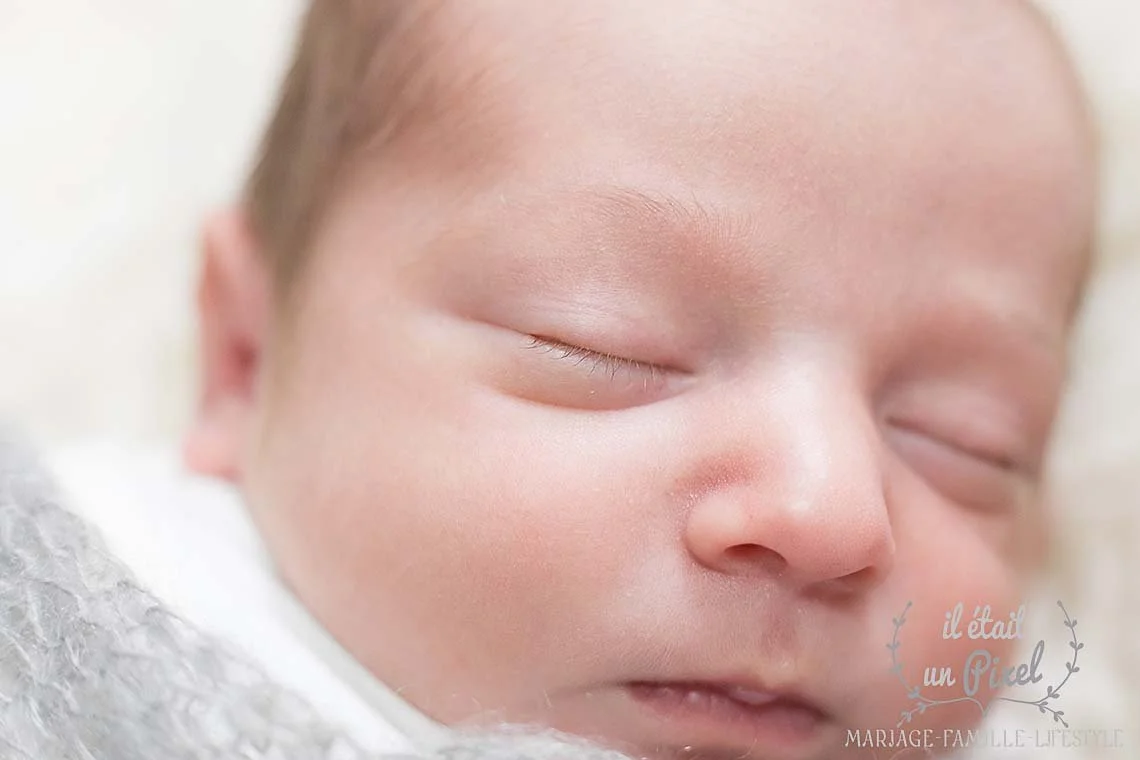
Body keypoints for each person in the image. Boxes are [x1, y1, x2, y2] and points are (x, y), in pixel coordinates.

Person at [81, 1, 1105, 758]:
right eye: (608, 348)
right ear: (244, 361)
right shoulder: (84, 596)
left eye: (968, 441)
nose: (830, 510)